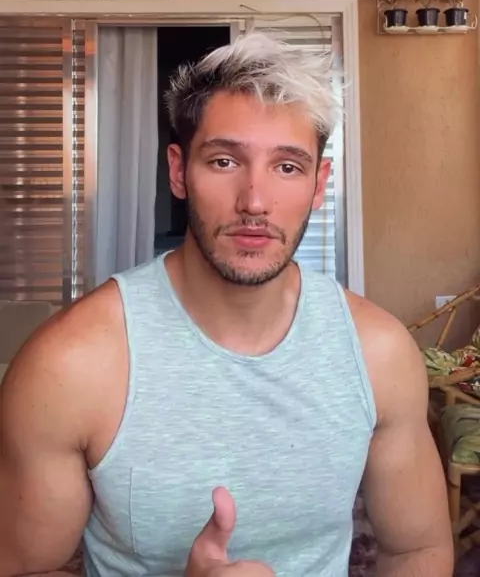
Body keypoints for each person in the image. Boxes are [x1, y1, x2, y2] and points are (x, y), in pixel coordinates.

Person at [0, 32, 453, 577]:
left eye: (287, 167)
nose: (254, 201)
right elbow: (22, 566)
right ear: (178, 171)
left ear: (318, 184)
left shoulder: (378, 353)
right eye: (223, 161)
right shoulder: (69, 365)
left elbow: (419, 550)